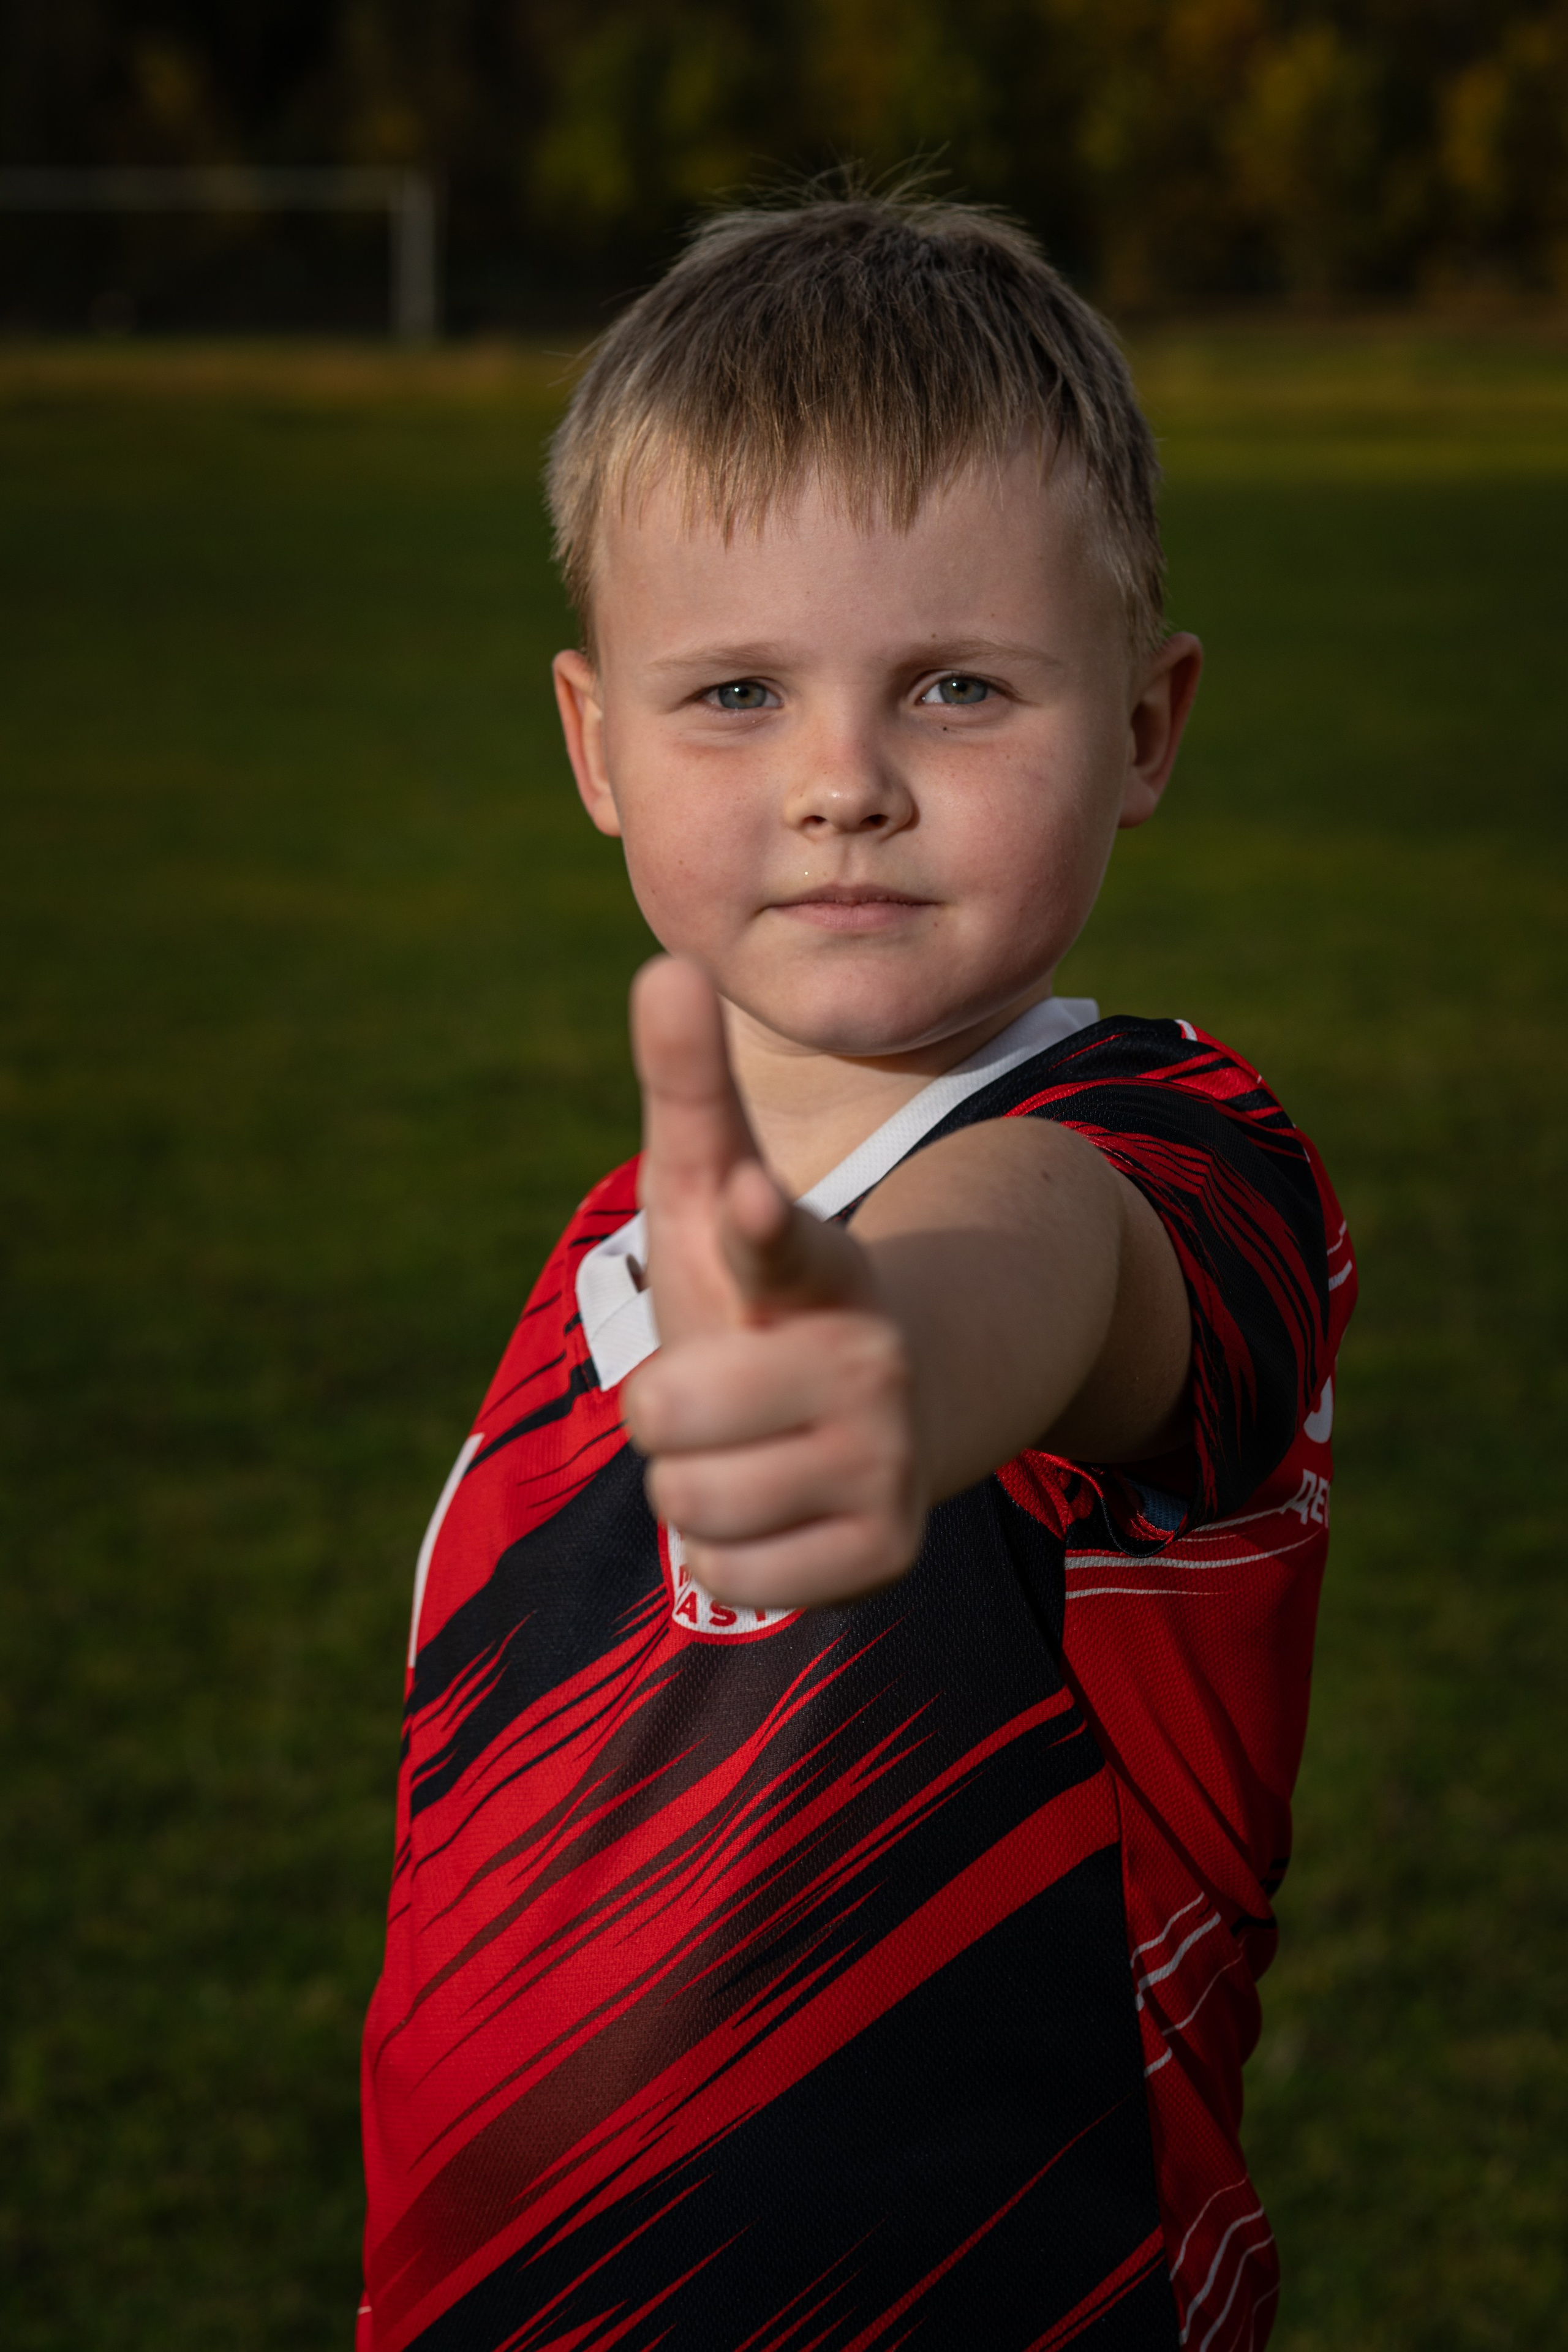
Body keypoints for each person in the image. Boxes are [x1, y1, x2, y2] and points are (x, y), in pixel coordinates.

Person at [357, 187, 1355, 2352]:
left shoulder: (1174, 1156)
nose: (842, 785)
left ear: (1149, 725)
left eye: (956, 688)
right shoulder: (613, 1266)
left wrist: (886, 1360)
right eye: (734, 691)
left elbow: (1046, 1275)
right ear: (592, 744)